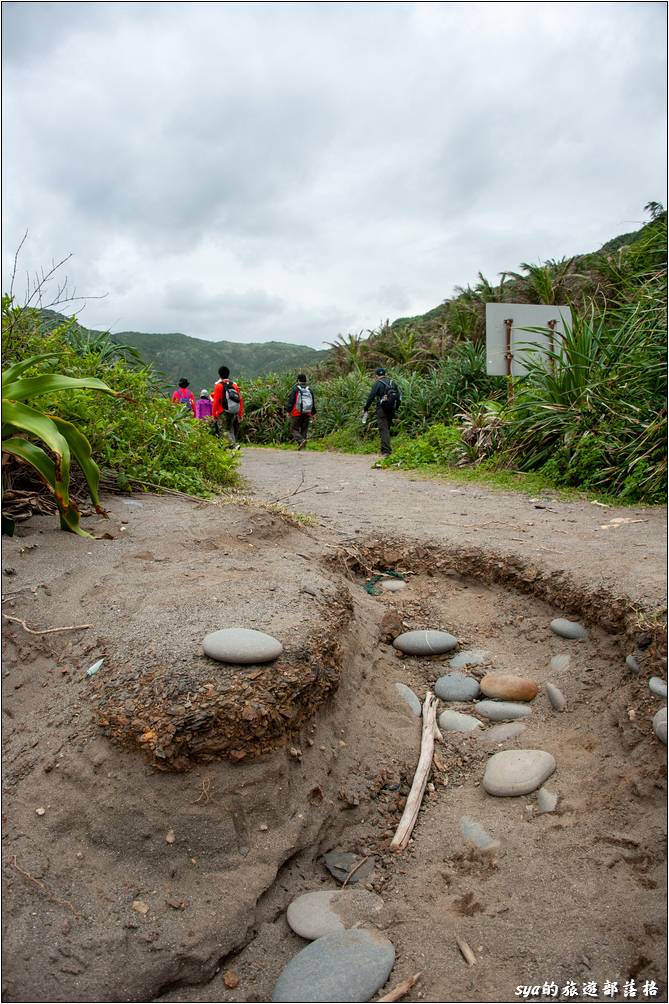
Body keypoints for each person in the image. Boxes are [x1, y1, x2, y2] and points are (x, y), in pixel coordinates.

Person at [362, 367, 401, 456]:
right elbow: (398, 395)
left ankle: (386, 451)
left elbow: (371, 397)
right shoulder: (392, 382)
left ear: (376, 375)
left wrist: (366, 408)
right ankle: (386, 449)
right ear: (385, 374)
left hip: (382, 409)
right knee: (387, 428)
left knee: (383, 429)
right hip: (392, 408)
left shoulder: (377, 384)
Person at [212, 366, 244, 447]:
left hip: (222, 411)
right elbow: (240, 399)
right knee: (230, 429)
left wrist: (214, 414)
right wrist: (240, 413)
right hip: (233, 410)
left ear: (219, 375)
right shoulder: (234, 385)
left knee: (223, 430)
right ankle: (230, 447)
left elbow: (215, 401)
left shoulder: (218, 386)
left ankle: (233, 445)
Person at [285, 373, 316, 450]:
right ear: (305, 380)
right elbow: (313, 402)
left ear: (298, 380)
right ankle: (303, 447)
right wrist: (313, 413)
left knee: (293, 429)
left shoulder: (296, 389)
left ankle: (301, 440)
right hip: (307, 412)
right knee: (304, 429)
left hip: (297, 412)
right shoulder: (309, 389)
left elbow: (291, 401)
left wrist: (288, 411)